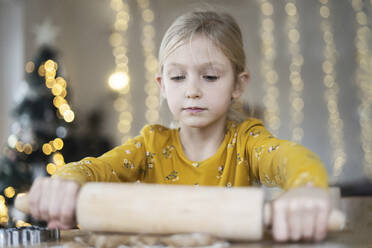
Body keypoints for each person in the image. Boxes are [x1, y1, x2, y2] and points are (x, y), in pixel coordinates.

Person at [29, 11, 331, 242]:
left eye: (210, 77)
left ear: (238, 85)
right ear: (162, 85)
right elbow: (95, 169)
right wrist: (66, 182)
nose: (192, 91)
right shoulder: (149, 147)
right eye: (177, 77)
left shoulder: (247, 142)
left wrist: (307, 189)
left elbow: (289, 158)